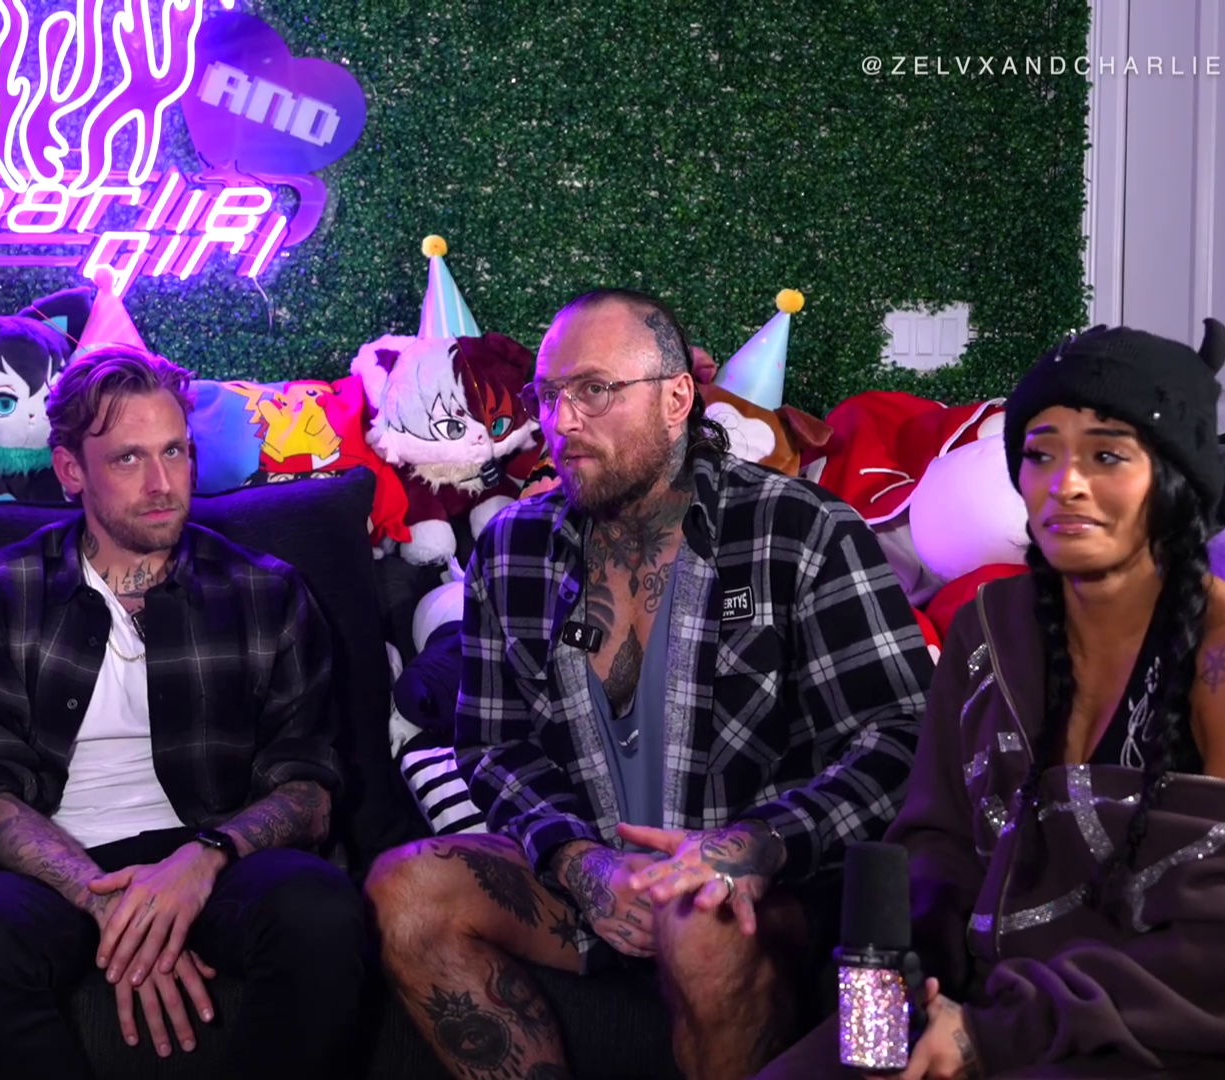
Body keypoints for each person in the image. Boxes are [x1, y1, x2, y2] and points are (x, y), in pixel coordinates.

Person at [754, 320, 1225, 1080]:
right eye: (1040, 453)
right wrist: (909, 988)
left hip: (1179, 1029)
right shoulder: (987, 629)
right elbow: (936, 838)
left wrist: (990, 1036)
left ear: (1177, 476)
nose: (1064, 483)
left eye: (1107, 455)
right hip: (987, 998)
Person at [367, 290, 935, 1080]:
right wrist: (579, 862)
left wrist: (752, 846)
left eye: (595, 390)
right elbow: (493, 745)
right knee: (405, 889)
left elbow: (900, 735)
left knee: (697, 921)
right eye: (547, 395)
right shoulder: (513, 547)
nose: (562, 422)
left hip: (758, 889)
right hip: (596, 878)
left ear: (676, 399)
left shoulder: (800, 529)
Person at [0, 347, 366, 1080]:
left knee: (321, 913)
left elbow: (309, 791)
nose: (162, 485)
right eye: (129, 458)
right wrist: (113, 910)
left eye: (174, 452)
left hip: (211, 854)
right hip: (53, 870)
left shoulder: (266, 592)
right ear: (70, 471)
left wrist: (203, 860)